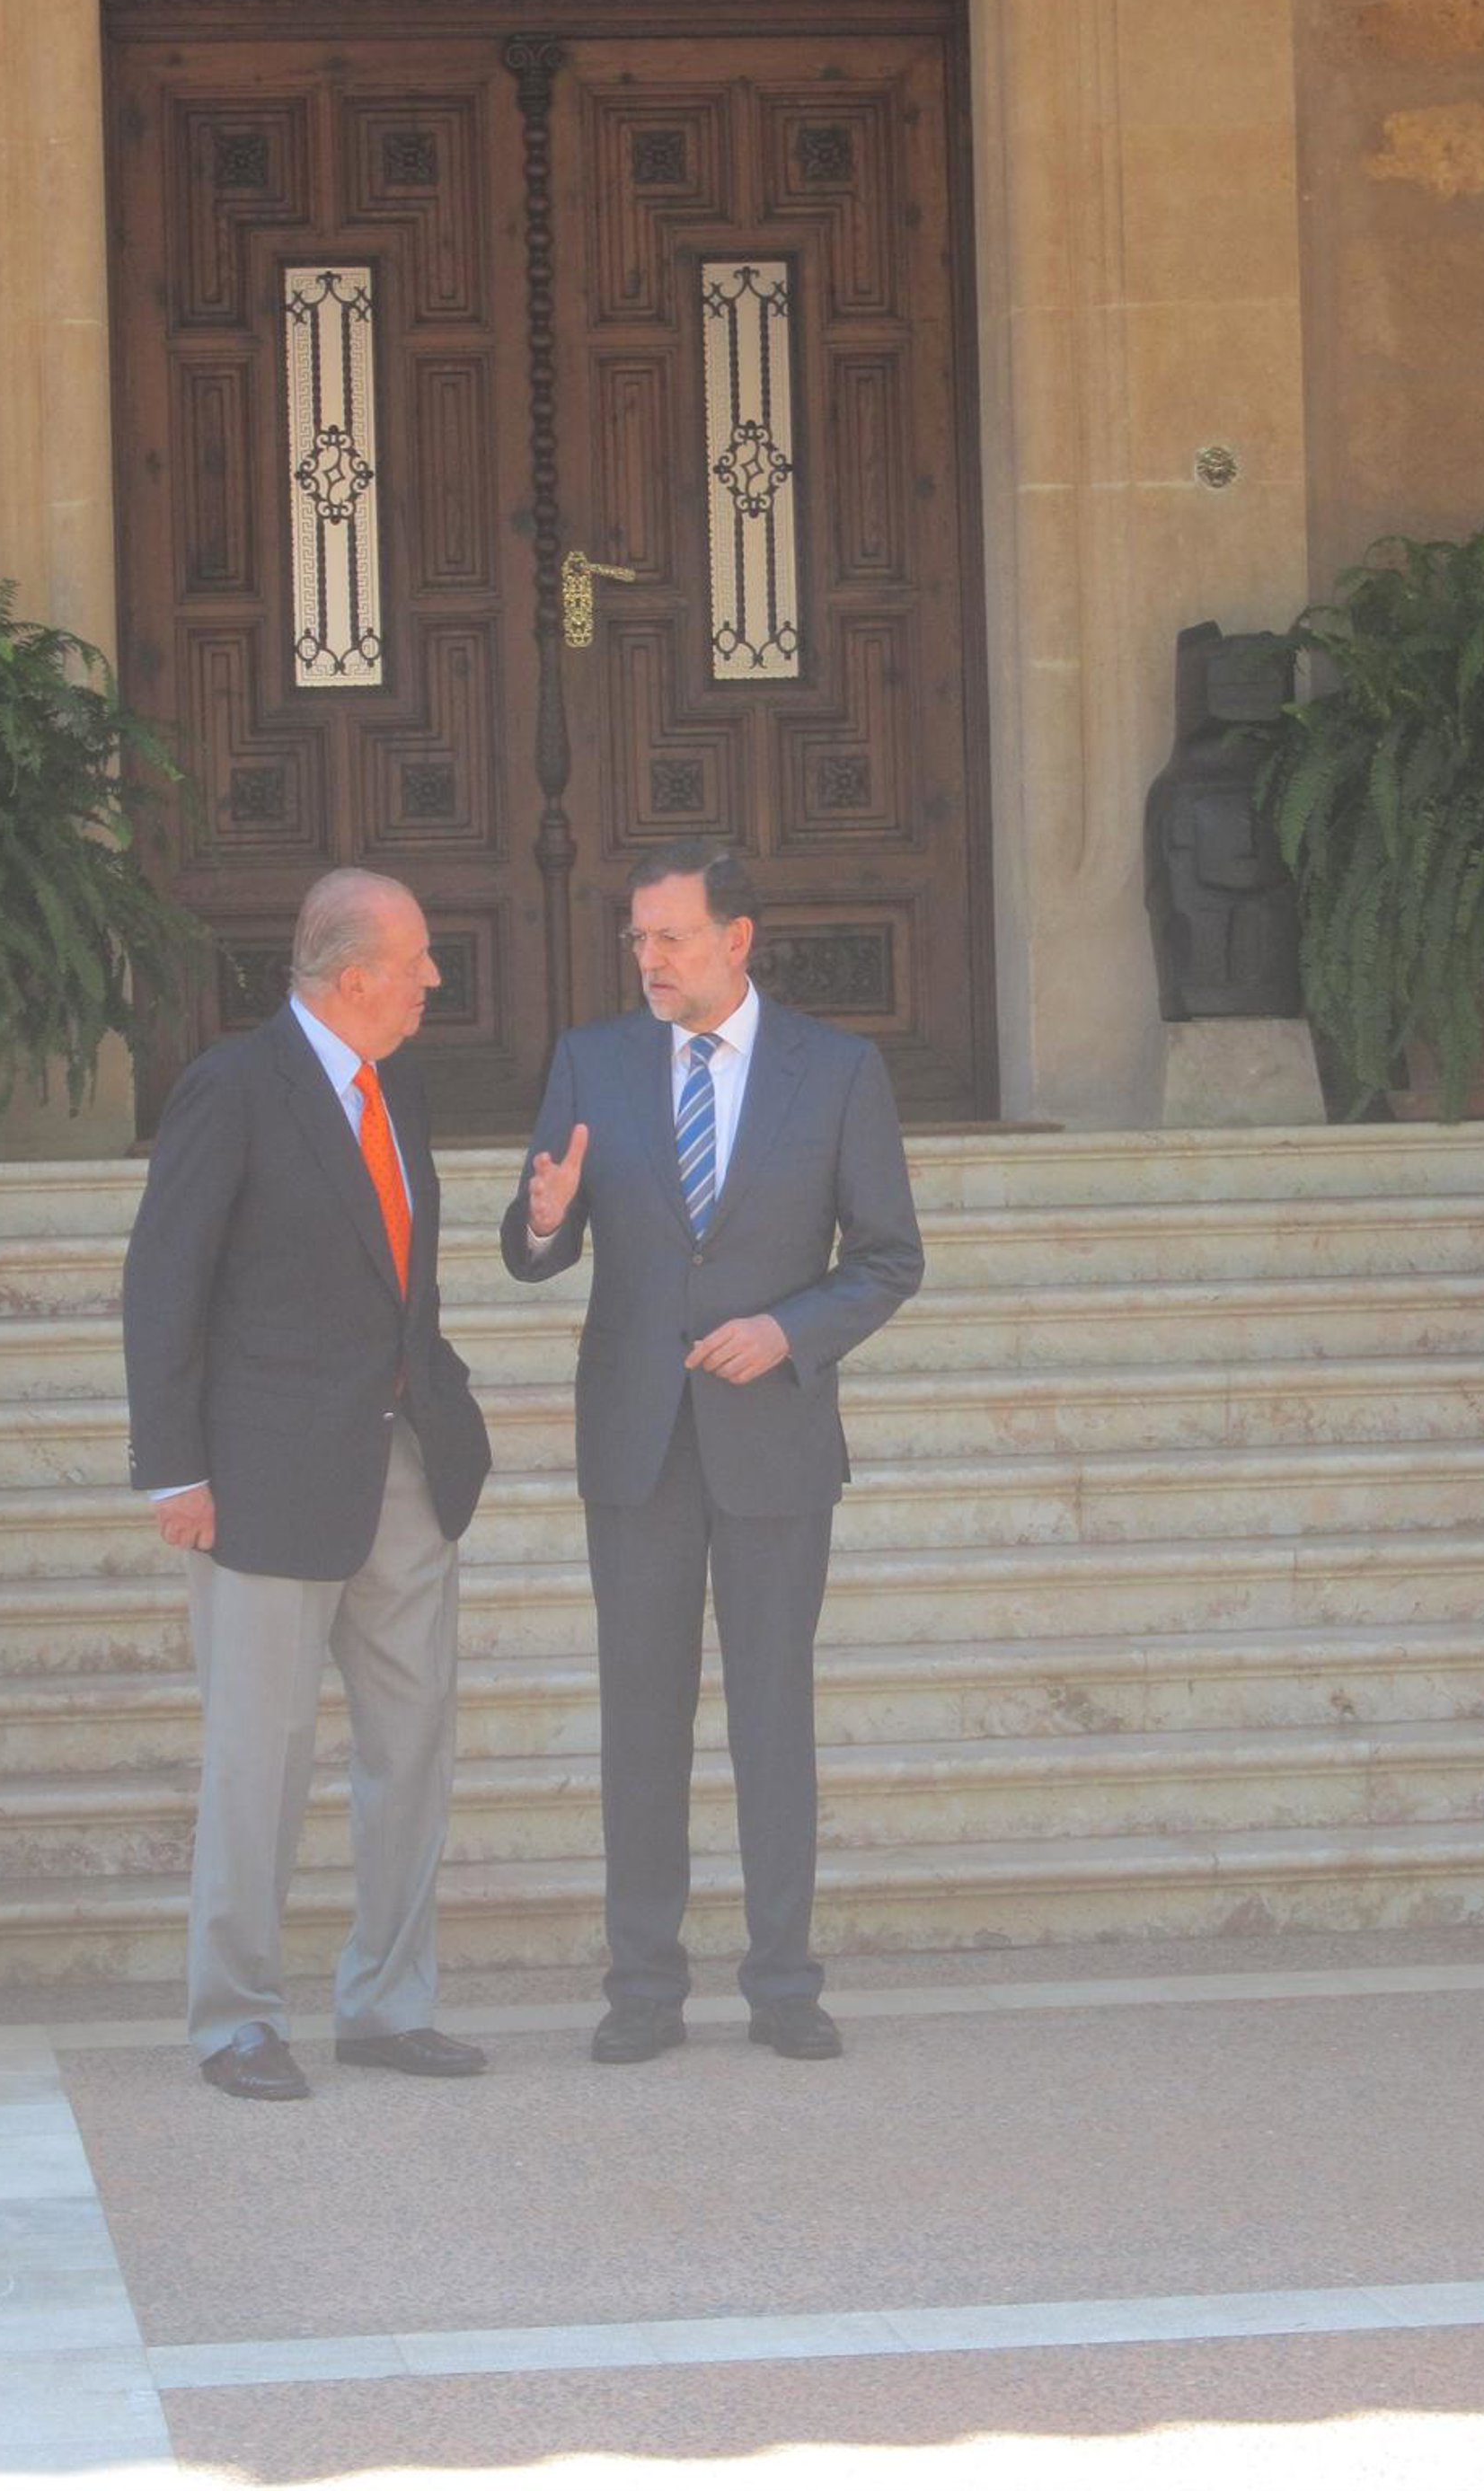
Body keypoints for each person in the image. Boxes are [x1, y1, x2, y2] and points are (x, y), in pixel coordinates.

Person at [501, 840, 923, 2064]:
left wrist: (789, 1330)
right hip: (637, 1442)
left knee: (772, 1716)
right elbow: (537, 1241)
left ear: (737, 940)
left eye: (671, 936)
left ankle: (784, 1984)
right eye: (637, 938)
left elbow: (889, 1257)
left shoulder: (835, 1071)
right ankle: (642, 1988)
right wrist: (541, 1222)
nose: (649, 959)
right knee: (641, 1721)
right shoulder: (591, 1061)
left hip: (773, 1439)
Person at [123, 868, 491, 2101]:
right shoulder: (233, 1088)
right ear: (354, 977)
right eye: (418, 959)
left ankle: (388, 2006)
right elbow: (163, 1283)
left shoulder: (400, 1090)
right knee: (259, 1761)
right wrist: (175, 1469)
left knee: (414, 1746)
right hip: (264, 1483)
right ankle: (236, 2019)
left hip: (405, 1468)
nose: (433, 978)